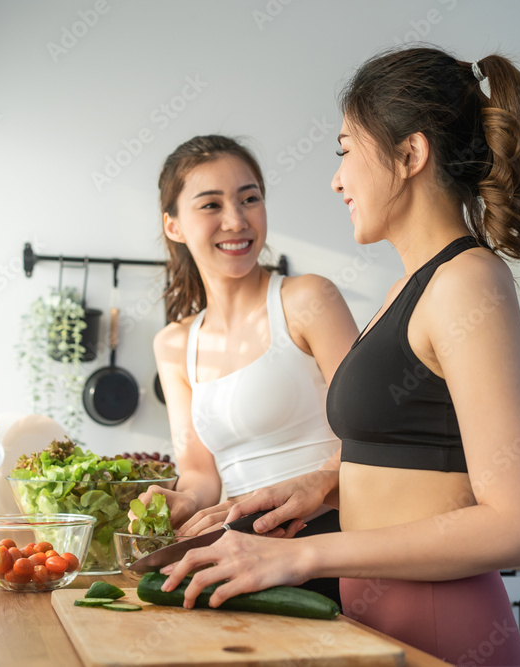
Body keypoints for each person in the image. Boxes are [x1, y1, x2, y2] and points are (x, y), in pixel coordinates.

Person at [159, 48, 520, 667]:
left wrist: (303, 555)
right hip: (375, 630)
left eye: (345, 150)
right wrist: (322, 488)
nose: (337, 179)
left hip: (445, 635)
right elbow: (418, 471)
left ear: (410, 155)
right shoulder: (407, 288)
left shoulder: (467, 281)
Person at [141, 134, 359, 604]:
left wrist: (316, 488)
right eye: (211, 204)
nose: (236, 220)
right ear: (174, 225)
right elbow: (200, 473)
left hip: (331, 543)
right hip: (240, 553)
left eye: (249, 198)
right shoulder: (174, 344)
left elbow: (374, 433)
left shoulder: (307, 300)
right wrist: (184, 501)